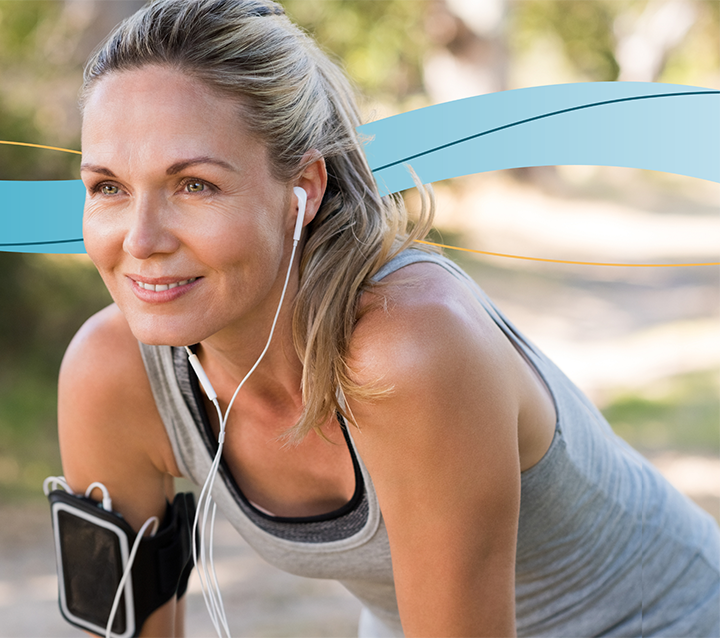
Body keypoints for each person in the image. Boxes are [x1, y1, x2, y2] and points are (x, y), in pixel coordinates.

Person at [56, 0, 720, 636]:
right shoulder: (111, 374)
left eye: (193, 185)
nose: (140, 239)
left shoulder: (409, 348)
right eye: (108, 187)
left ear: (304, 189)